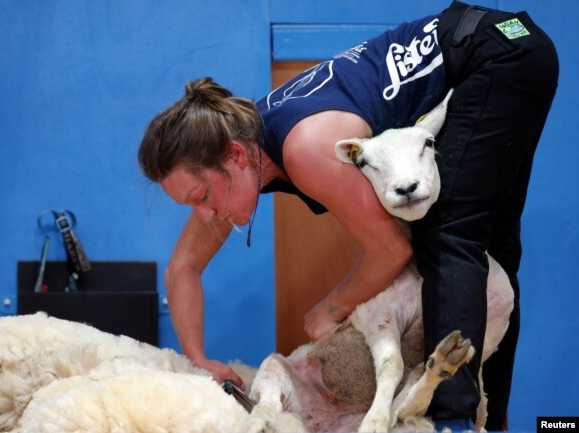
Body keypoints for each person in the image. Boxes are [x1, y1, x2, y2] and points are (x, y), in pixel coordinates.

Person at [138, 1, 558, 430]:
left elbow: (389, 252)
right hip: (509, 45)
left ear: (236, 155)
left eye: (202, 195)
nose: (205, 213)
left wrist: (331, 307)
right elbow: (183, 267)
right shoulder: (243, 142)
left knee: (447, 236)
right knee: (492, 256)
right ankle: (494, 420)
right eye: (191, 204)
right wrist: (199, 361)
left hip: (497, 53)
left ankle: (454, 422)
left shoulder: (304, 148)